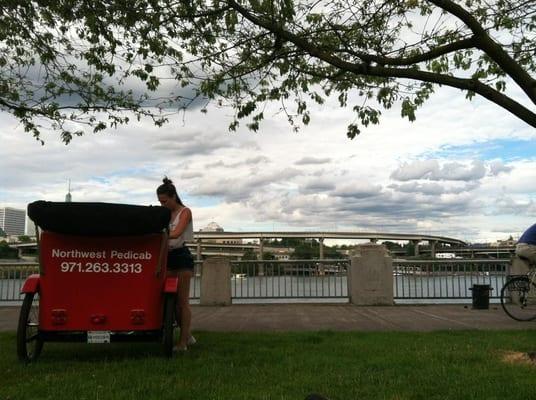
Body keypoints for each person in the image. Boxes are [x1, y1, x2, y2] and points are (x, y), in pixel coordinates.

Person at [157, 177, 196, 352]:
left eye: (165, 201)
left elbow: (178, 232)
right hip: (167, 257)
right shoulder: (164, 213)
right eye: (160, 202)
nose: (162, 204)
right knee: (168, 301)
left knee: (181, 302)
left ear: (173, 197)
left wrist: (161, 233)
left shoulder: (185, 212)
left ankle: (183, 343)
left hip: (181, 257)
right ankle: (187, 335)